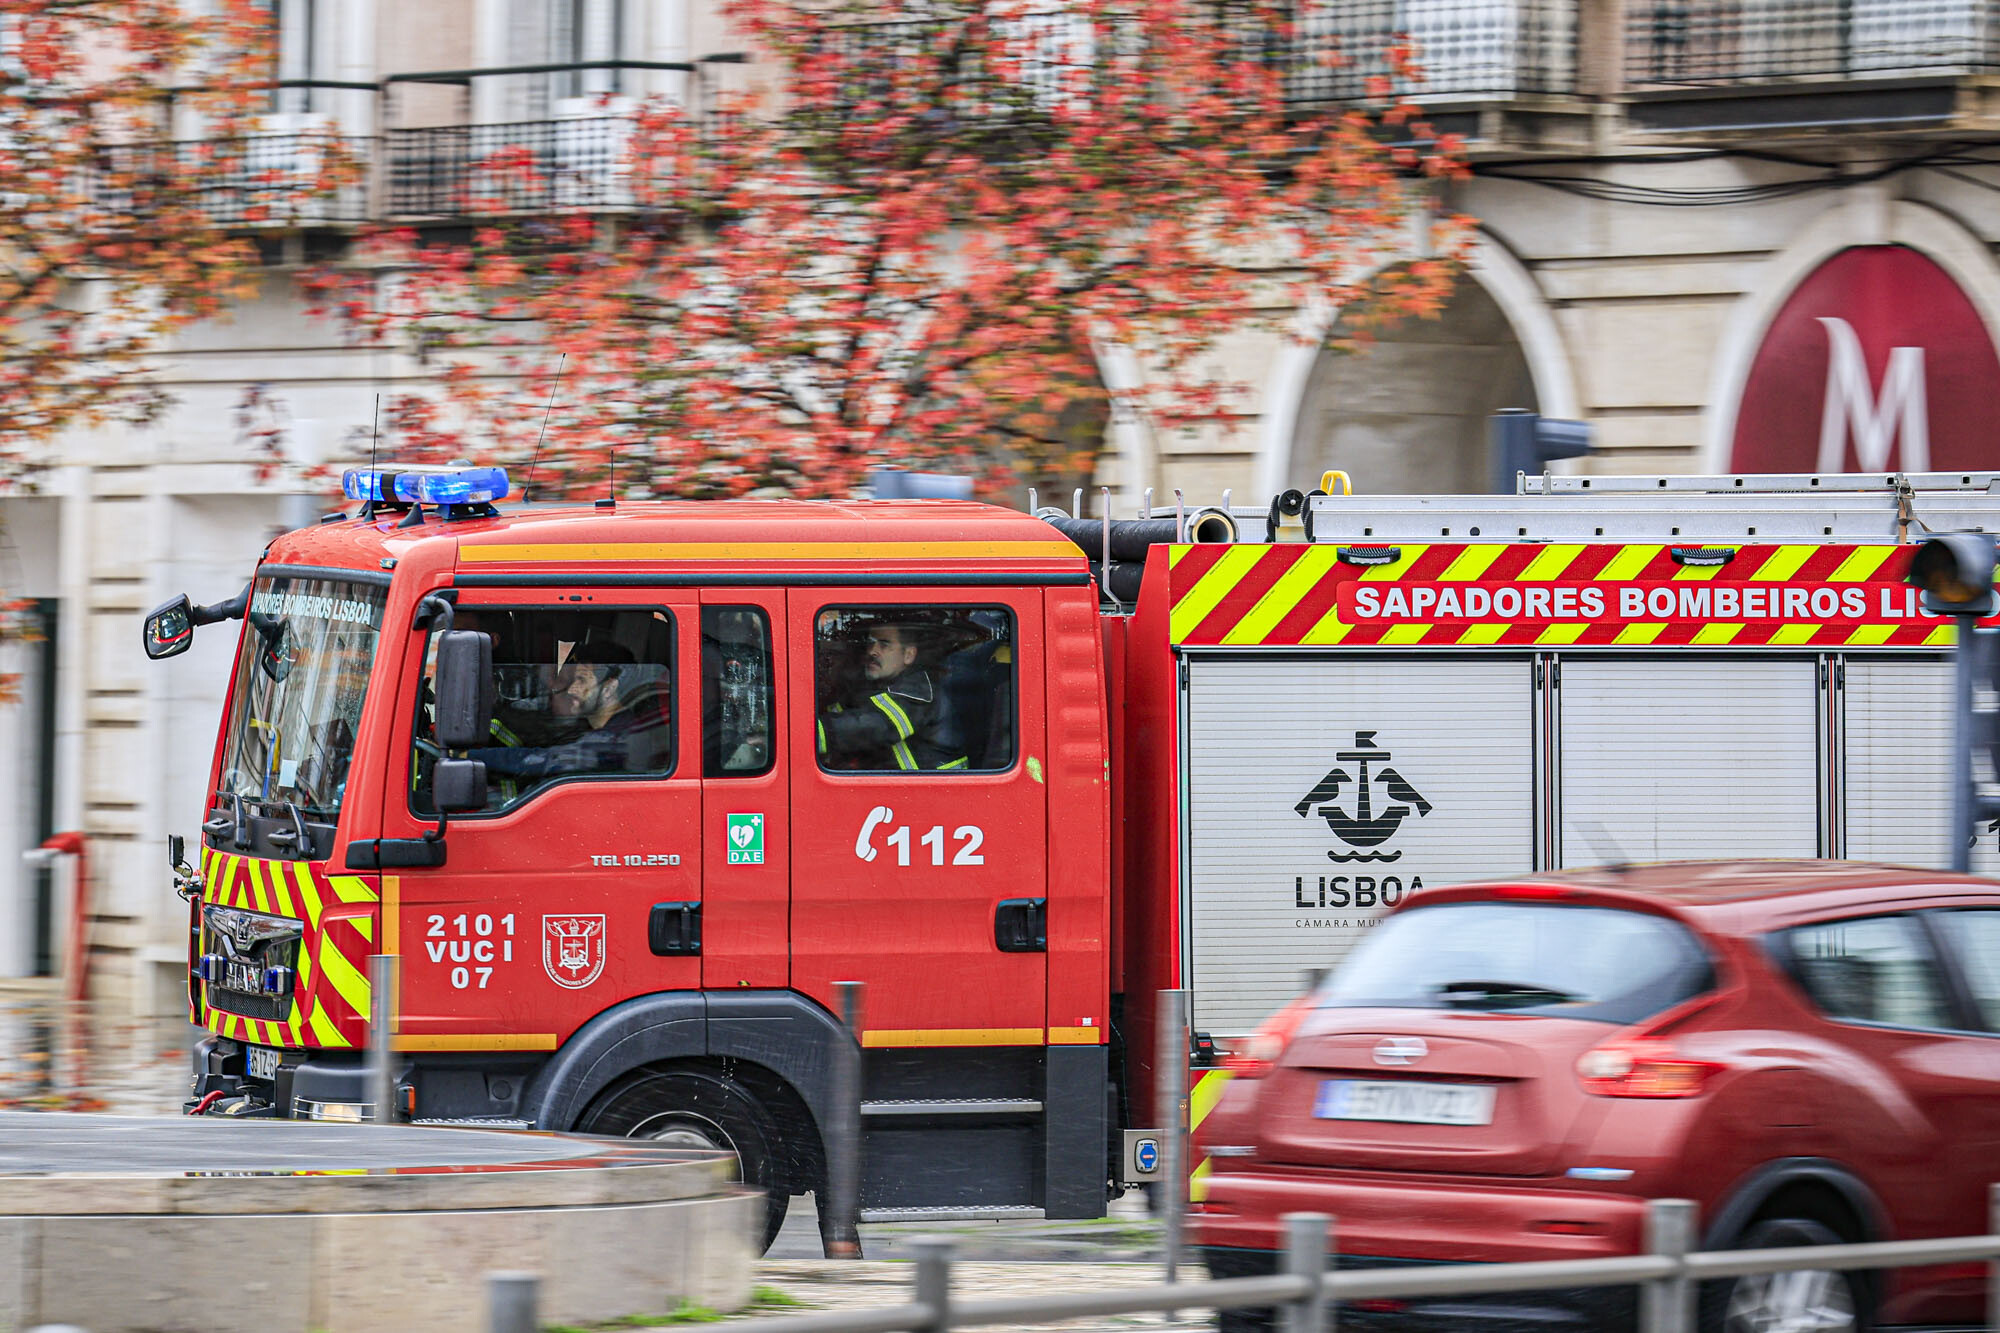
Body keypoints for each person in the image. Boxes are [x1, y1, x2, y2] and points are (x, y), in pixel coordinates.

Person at [474, 640, 665, 782]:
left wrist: (466, 757)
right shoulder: (620, 727)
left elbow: (541, 760)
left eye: (581, 681)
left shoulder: (613, 740)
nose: (572, 689)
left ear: (609, 688)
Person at [817, 621, 966, 771]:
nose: (872, 651)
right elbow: (846, 709)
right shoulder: (879, 685)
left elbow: (875, 726)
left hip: (936, 791)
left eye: (884, 644)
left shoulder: (918, 692)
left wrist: (809, 733)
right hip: (909, 789)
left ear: (908, 655)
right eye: (871, 643)